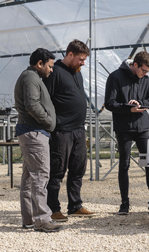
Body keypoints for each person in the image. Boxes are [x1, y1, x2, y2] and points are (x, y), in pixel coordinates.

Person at [43, 39, 95, 222]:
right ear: (70, 54)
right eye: (81, 59)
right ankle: (53, 208)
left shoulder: (77, 73)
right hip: (62, 131)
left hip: (78, 130)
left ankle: (75, 205)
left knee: (78, 169)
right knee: (57, 170)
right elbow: (46, 100)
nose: (83, 63)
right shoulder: (55, 72)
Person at [14, 48, 63, 233]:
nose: (51, 70)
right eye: (49, 66)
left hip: (31, 132)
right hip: (34, 132)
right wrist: (49, 121)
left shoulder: (32, 77)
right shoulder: (31, 78)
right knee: (40, 176)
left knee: (29, 177)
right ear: (39, 63)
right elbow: (31, 104)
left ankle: (28, 219)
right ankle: (42, 219)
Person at [104, 51, 149, 215]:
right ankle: (124, 203)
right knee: (124, 164)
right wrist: (128, 107)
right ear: (135, 65)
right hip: (124, 127)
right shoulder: (115, 77)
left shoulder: (145, 80)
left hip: (142, 127)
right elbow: (110, 103)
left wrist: (140, 103)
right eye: (144, 70)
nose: (145, 74)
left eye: (148, 71)